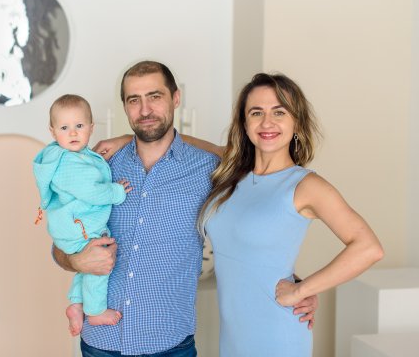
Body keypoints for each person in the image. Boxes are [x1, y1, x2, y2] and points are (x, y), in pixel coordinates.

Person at [53, 61, 318, 356]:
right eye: (134, 100)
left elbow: (251, 228)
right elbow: (60, 243)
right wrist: (76, 260)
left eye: (155, 96)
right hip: (100, 343)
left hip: (171, 345)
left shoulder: (211, 170)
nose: (145, 110)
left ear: (176, 98)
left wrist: (297, 285)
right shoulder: (100, 168)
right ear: (125, 106)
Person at [200, 73, 384, 356]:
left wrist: (302, 290)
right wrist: (130, 139)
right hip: (234, 337)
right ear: (245, 124)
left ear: (296, 122)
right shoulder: (233, 170)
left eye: (279, 112)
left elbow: (369, 248)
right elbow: (176, 143)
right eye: (256, 112)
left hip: (277, 334)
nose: (267, 122)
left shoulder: (305, 186)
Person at [33, 94, 131, 336]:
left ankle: (77, 305)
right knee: (100, 261)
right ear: (52, 131)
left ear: (91, 127)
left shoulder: (71, 155)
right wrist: (116, 192)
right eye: (64, 128)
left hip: (72, 225)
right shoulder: (68, 163)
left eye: (79, 125)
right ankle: (95, 311)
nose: (73, 133)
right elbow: (92, 192)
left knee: (86, 264)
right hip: (79, 226)